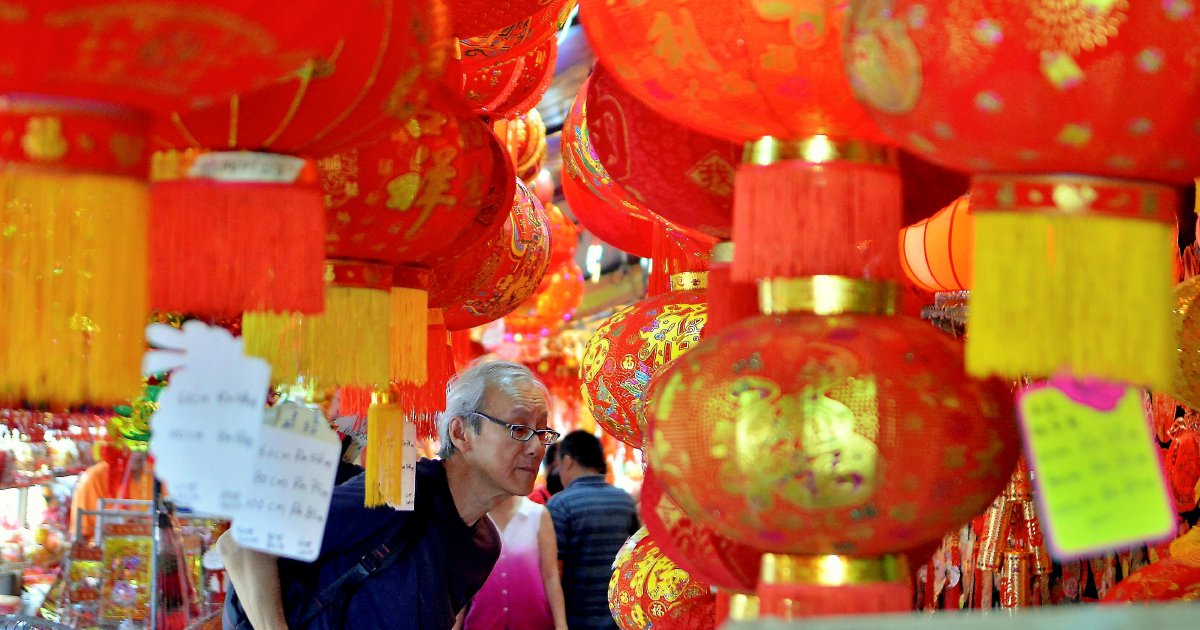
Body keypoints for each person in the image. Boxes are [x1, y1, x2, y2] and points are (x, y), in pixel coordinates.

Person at [220, 359, 558, 630]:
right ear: (460, 432)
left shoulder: (484, 544)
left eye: (542, 432)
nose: (535, 447)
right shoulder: (399, 490)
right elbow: (242, 544)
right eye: (519, 429)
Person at [546, 431, 639, 630]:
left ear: (567, 461)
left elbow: (555, 572)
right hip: (619, 619)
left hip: (577, 621)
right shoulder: (624, 501)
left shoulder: (560, 505)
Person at [461, 495, 568, 630]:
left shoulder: (537, 515)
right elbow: (461, 578)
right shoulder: (472, 518)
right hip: (483, 621)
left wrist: (561, 623)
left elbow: (551, 575)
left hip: (533, 621)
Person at [69, 447, 154, 542]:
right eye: (129, 443)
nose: (138, 453)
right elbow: (80, 536)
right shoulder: (94, 477)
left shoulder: (155, 476)